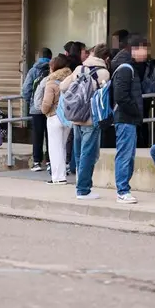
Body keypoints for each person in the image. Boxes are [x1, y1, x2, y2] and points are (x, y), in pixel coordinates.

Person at [60, 44, 111, 195]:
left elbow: (63, 86)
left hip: (76, 118)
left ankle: (79, 185)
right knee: (88, 155)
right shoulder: (104, 73)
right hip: (91, 119)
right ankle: (83, 190)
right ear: (106, 58)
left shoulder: (79, 69)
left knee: (79, 154)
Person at [106, 34, 149, 204]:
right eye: (144, 49)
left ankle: (124, 189)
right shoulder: (125, 68)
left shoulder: (128, 67)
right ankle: (122, 190)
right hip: (125, 119)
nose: (146, 53)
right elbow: (121, 96)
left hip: (127, 119)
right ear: (135, 49)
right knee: (125, 155)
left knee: (128, 155)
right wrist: (136, 112)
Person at [40, 55, 74, 185]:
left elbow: (46, 103)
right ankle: (62, 175)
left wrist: (43, 110)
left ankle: (57, 177)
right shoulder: (70, 80)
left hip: (54, 117)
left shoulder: (52, 82)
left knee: (54, 148)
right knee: (62, 147)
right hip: (68, 117)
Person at [22, 48, 52, 171]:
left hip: (36, 109)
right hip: (50, 108)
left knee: (37, 135)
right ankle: (50, 161)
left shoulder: (33, 71)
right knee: (50, 135)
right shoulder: (52, 70)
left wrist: (31, 102)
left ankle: (37, 162)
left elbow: (26, 90)